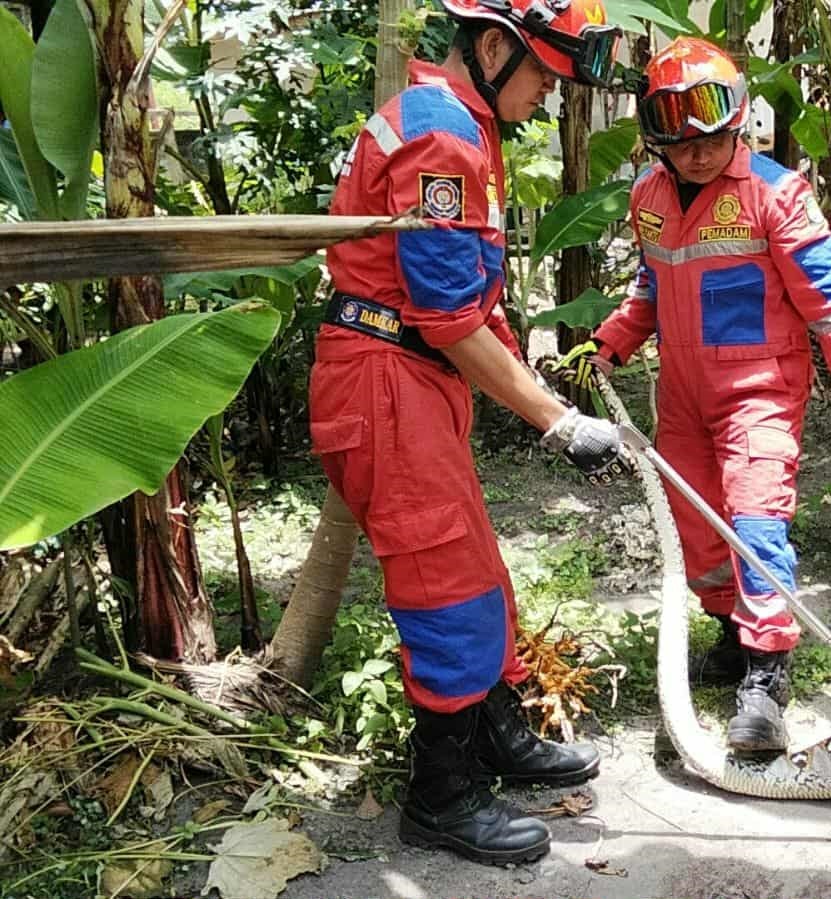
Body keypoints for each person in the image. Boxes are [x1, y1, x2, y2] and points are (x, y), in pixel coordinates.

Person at [310, 0, 632, 866]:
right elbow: (449, 317)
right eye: (541, 75)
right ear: (492, 48)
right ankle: (441, 796)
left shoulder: (457, 124)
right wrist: (561, 422)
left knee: (475, 566)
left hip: (410, 380)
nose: (547, 97)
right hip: (387, 381)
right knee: (444, 584)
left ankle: (491, 737)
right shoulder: (443, 138)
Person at [555, 37, 831, 754]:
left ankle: (767, 677)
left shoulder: (778, 197)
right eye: (680, 143)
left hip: (759, 395)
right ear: (656, 139)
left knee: (755, 524)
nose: (697, 153)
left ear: (737, 121)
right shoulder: (648, 199)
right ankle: (731, 637)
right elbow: (649, 287)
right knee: (698, 530)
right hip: (681, 396)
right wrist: (612, 341)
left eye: (711, 137)